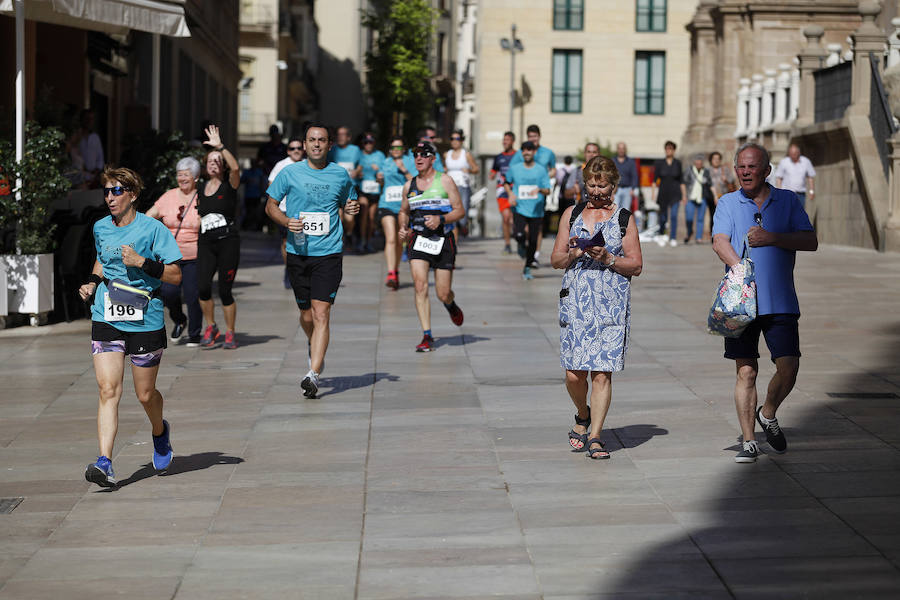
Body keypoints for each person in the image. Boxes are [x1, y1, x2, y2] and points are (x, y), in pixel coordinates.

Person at [712, 142, 817, 463]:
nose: (745, 172)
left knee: (789, 367)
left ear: (767, 171)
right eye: (740, 166)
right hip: (742, 302)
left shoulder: (787, 201)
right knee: (746, 371)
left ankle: (767, 412)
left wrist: (772, 237)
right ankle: (748, 440)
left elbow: (810, 240)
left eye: (752, 166)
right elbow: (719, 241)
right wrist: (740, 269)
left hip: (781, 298)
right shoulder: (727, 202)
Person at [78, 166, 183, 488]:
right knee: (108, 390)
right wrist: (93, 281)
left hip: (145, 318)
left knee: (144, 393)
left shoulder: (153, 230)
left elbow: (176, 275)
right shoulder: (100, 227)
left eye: (116, 191)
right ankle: (105, 462)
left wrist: (142, 263)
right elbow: (102, 257)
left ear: (133, 195)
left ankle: (159, 432)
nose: (110, 197)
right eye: (106, 191)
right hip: (107, 315)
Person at [551, 156, 643, 460]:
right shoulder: (572, 214)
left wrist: (609, 259)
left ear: (614, 186)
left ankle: (595, 436)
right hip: (576, 301)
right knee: (574, 374)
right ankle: (582, 413)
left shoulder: (624, 218)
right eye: (591, 185)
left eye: (602, 185)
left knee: (602, 374)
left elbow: (637, 265)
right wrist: (574, 253)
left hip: (611, 306)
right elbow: (555, 260)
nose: (596, 191)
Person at [265, 124, 360, 398]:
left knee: (321, 313)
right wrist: (286, 222)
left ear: (330, 145)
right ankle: (315, 343)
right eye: (311, 140)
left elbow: (350, 203)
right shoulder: (289, 173)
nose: (316, 144)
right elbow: (270, 205)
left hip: (329, 253)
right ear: (304, 145)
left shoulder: (340, 175)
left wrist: (352, 208)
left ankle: (313, 373)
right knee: (306, 314)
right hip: (298, 253)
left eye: (321, 140)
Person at [398, 141, 466, 352]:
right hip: (419, 239)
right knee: (420, 286)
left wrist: (441, 219)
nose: (418, 159)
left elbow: (460, 210)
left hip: (443, 240)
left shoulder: (445, 181)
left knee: (443, 292)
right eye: (415, 155)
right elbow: (403, 211)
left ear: (432, 159)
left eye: (423, 155)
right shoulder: (409, 185)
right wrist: (403, 227)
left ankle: (450, 304)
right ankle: (427, 335)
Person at [146, 156, 203, 346]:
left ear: (195, 177)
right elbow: (149, 217)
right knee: (168, 293)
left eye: (186, 175)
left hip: (195, 254)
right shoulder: (168, 196)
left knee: (192, 295)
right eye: (179, 175)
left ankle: (195, 333)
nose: (182, 179)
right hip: (170, 255)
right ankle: (180, 319)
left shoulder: (202, 196)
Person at [197, 125, 241, 350]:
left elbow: (235, 167)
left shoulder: (230, 184)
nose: (214, 162)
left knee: (225, 289)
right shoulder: (200, 187)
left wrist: (220, 147)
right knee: (203, 286)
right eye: (210, 159)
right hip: (206, 242)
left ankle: (230, 332)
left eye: (218, 160)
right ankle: (211, 326)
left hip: (228, 242)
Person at [505, 141, 551, 281]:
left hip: (536, 209)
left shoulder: (541, 170)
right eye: (524, 150)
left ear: (534, 152)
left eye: (529, 150)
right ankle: (520, 245)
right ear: (521, 152)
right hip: (519, 207)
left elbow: (548, 190)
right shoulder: (515, 168)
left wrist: (540, 190)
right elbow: (506, 182)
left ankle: (527, 268)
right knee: (519, 234)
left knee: (532, 241)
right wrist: (510, 194)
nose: (527, 152)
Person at [376, 135, 416, 290]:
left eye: (399, 148)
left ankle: (396, 270)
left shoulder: (410, 161)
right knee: (391, 238)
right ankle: (391, 272)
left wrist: (404, 169)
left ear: (404, 149)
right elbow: (380, 182)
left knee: (400, 240)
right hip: (386, 203)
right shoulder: (385, 162)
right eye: (393, 148)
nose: (396, 151)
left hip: (404, 208)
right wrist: (379, 178)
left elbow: (414, 181)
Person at [269, 136, 306, 288]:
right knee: (286, 242)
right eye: (292, 148)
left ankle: (301, 270)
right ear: (288, 151)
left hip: (305, 211)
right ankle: (289, 270)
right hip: (284, 210)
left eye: (298, 148)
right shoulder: (281, 165)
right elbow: (271, 184)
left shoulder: (308, 164)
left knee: (302, 242)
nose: (296, 151)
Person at [444, 129, 480, 236]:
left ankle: (462, 227)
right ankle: (453, 243)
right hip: (449, 188)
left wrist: (468, 170)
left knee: (461, 216)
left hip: (462, 187)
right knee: (451, 215)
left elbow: (476, 169)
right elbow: (444, 168)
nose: (455, 141)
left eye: (457, 139)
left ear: (462, 140)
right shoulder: (447, 154)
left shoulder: (466, 154)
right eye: (452, 139)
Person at [652, 140, 686, 247]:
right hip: (663, 193)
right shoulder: (660, 163)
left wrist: (684, 195)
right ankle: (662, 235)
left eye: (670, 148)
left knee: (674, 215)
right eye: (667, 148)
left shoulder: (678, 163)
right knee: (663, 217)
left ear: (674, 150)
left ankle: (673, 237)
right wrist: (653, 194)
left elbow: (682, 181)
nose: (668, 150)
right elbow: (654, 180)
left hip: (675, 193)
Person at [358, 133, 385, 253]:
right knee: (364, 212)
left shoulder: (379, 155)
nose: (368, 145)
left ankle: (368, 241)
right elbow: (353, 171)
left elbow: (384, 171)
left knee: (371, 217)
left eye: (371, 142)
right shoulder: (359, 155)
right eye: (366, 142)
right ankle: (362, 240)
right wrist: (358, 173)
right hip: (362, 188)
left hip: (375, 189)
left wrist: (379, 172)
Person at [490, 131, 516, 253]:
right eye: (504, 140)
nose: (505, 142)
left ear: (512, 141)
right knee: (506, 218)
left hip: (515, 189)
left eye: (507, 140)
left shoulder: (518, 156)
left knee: (513, 219)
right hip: (502, 190)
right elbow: (493, 171)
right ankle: (507, 244)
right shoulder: (499, 157)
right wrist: (492, 175)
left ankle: (519, 238)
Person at [682, 153, 713, 244]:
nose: (699, 163)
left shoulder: (706, 171)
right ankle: (689, 232)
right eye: (697, 161)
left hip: (702, 197)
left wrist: (715, 196)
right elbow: (683, 183)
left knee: (700, 218)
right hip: (690, 197)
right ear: (694, 162)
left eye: (700, 161)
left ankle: (698, 237)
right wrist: (684, 196)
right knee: (689, 218)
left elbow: (710, 184)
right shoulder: (689, 170)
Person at [775, 143, 816, 209]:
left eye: (794, 154)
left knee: (799, 215)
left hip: (801, 194)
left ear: (798, 153)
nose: (793, 156)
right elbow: (779, 178)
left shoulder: (806, 161)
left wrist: (812, 191)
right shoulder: (784, 162)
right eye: (791, 154)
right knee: (788, 213)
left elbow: (810, 177)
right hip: (787, 194)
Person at [78, 109, 105, 189]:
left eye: (91, 119)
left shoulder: (95, 138)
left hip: (93, 177)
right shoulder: (77, 137)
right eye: (87, 118)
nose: (89, 121)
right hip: (79, 177)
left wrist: (96, 171)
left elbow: (100, 157)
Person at [708, 150, 736, 223]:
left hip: (723, 196)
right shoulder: (708, 170)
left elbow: (732, 180)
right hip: (711, 197)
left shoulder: (725, 169)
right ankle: (713, 232)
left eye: (718, 159)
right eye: (714, 159)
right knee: (712, 215)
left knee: (724, 215)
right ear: (711, 160)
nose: (716, 160)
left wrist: (726, 179)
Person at [239, 158, 266, 230]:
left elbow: (262, 184)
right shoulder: (246, 172)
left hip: (257, 196)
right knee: (248, 211)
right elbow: (241, 181)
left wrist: (263, 194)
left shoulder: (259, 172)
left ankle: (256, 227)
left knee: (256, 212)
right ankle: (245, 226)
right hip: (248, 195)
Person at [613, 142, 639, 213]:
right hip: (615, 190)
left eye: (623, 148)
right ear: (617, 150)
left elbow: (634, 176)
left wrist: (633, 188)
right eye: (619, 148)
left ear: (625, 150)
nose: (621, 150)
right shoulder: (612, 161)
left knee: (625, 211)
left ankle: (624, 224)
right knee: (614, 210)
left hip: (627, 190)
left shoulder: (630, 162)